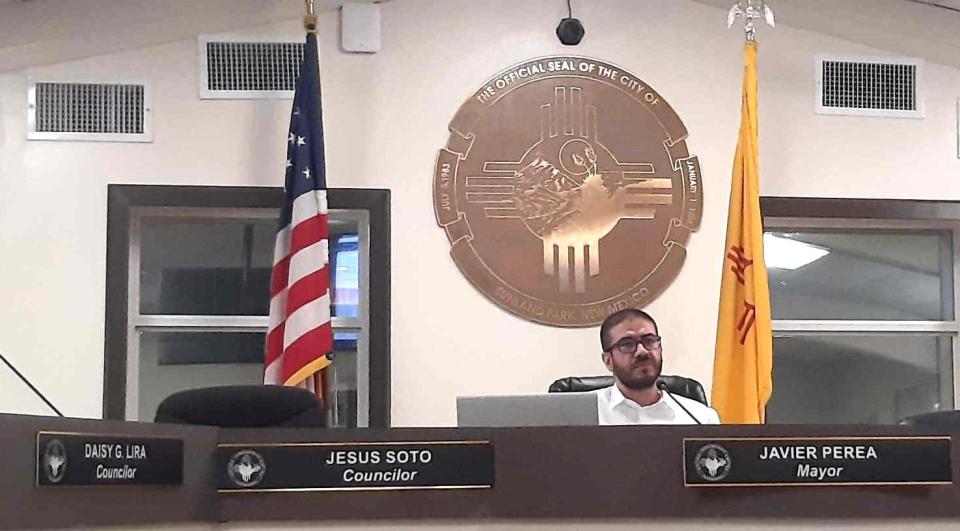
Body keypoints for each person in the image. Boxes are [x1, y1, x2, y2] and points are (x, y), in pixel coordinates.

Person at [595, 308, 720, 425]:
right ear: (607, 361)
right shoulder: (586, 414)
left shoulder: (700, 418)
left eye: (649, 341)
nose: (642, 351)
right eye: (627, 344)